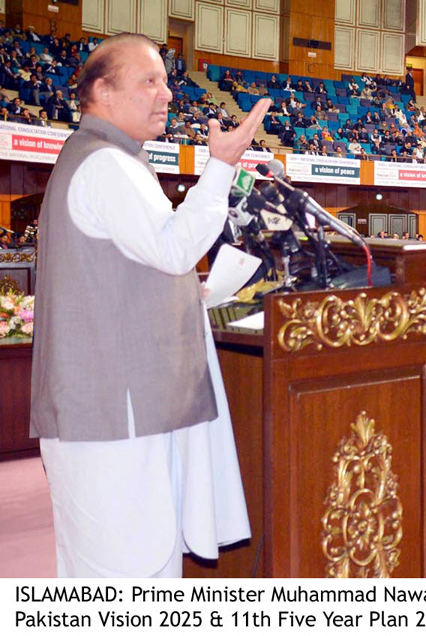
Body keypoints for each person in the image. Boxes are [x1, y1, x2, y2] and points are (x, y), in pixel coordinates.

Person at [31, 33, 270, 577]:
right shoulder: (105, 166)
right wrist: (220, 168)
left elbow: (135, 267)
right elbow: (173, 248)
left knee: (139, 564)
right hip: (111, 419)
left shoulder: (109, 160)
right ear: (103, 93)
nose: (166, 94)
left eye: (165, 80)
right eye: (149, 81)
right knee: (128, 573)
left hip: (118, 415)